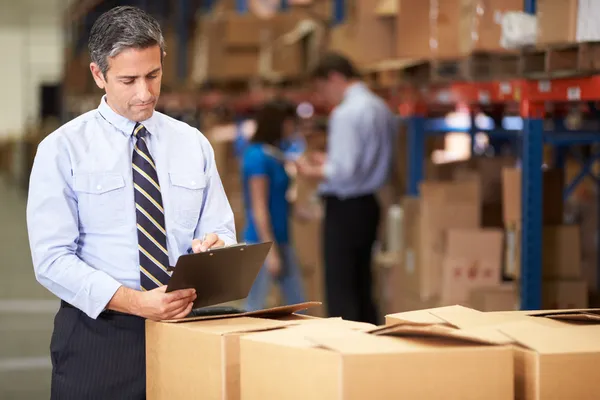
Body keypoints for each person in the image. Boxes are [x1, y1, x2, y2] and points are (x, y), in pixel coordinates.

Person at [26, 6, 236, 399]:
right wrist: (137, 302)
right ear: (98, 75)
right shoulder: (62, 150)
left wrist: (215, 247)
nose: (145, 93)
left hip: (187, 329)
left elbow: (221, 228)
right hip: (100, 335)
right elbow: (52, 259)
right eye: (129, 80)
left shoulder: (192, 144)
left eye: (153, 75)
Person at [296, 52, 397, 324]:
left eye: (321, 88)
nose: (322, 96)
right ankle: (370, 342)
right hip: (369, 205)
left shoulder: (345, 113)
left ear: (335, 78)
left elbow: (343, 171)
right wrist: (330, 162)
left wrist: (311, 171)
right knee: (362, 283)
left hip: (345, 209)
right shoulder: (380, 107)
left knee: (341, 286)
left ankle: (346, 348)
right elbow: (361, 162)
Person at [242, 99, 306, 311]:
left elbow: (283, 198)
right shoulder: (257, 157)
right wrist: (270, 251)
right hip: (261, 244)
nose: (292, 128)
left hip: (282, 238)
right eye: (289, 123)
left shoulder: (277, 155)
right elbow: (259, 207)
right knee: (255, 308)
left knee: (297, 303)